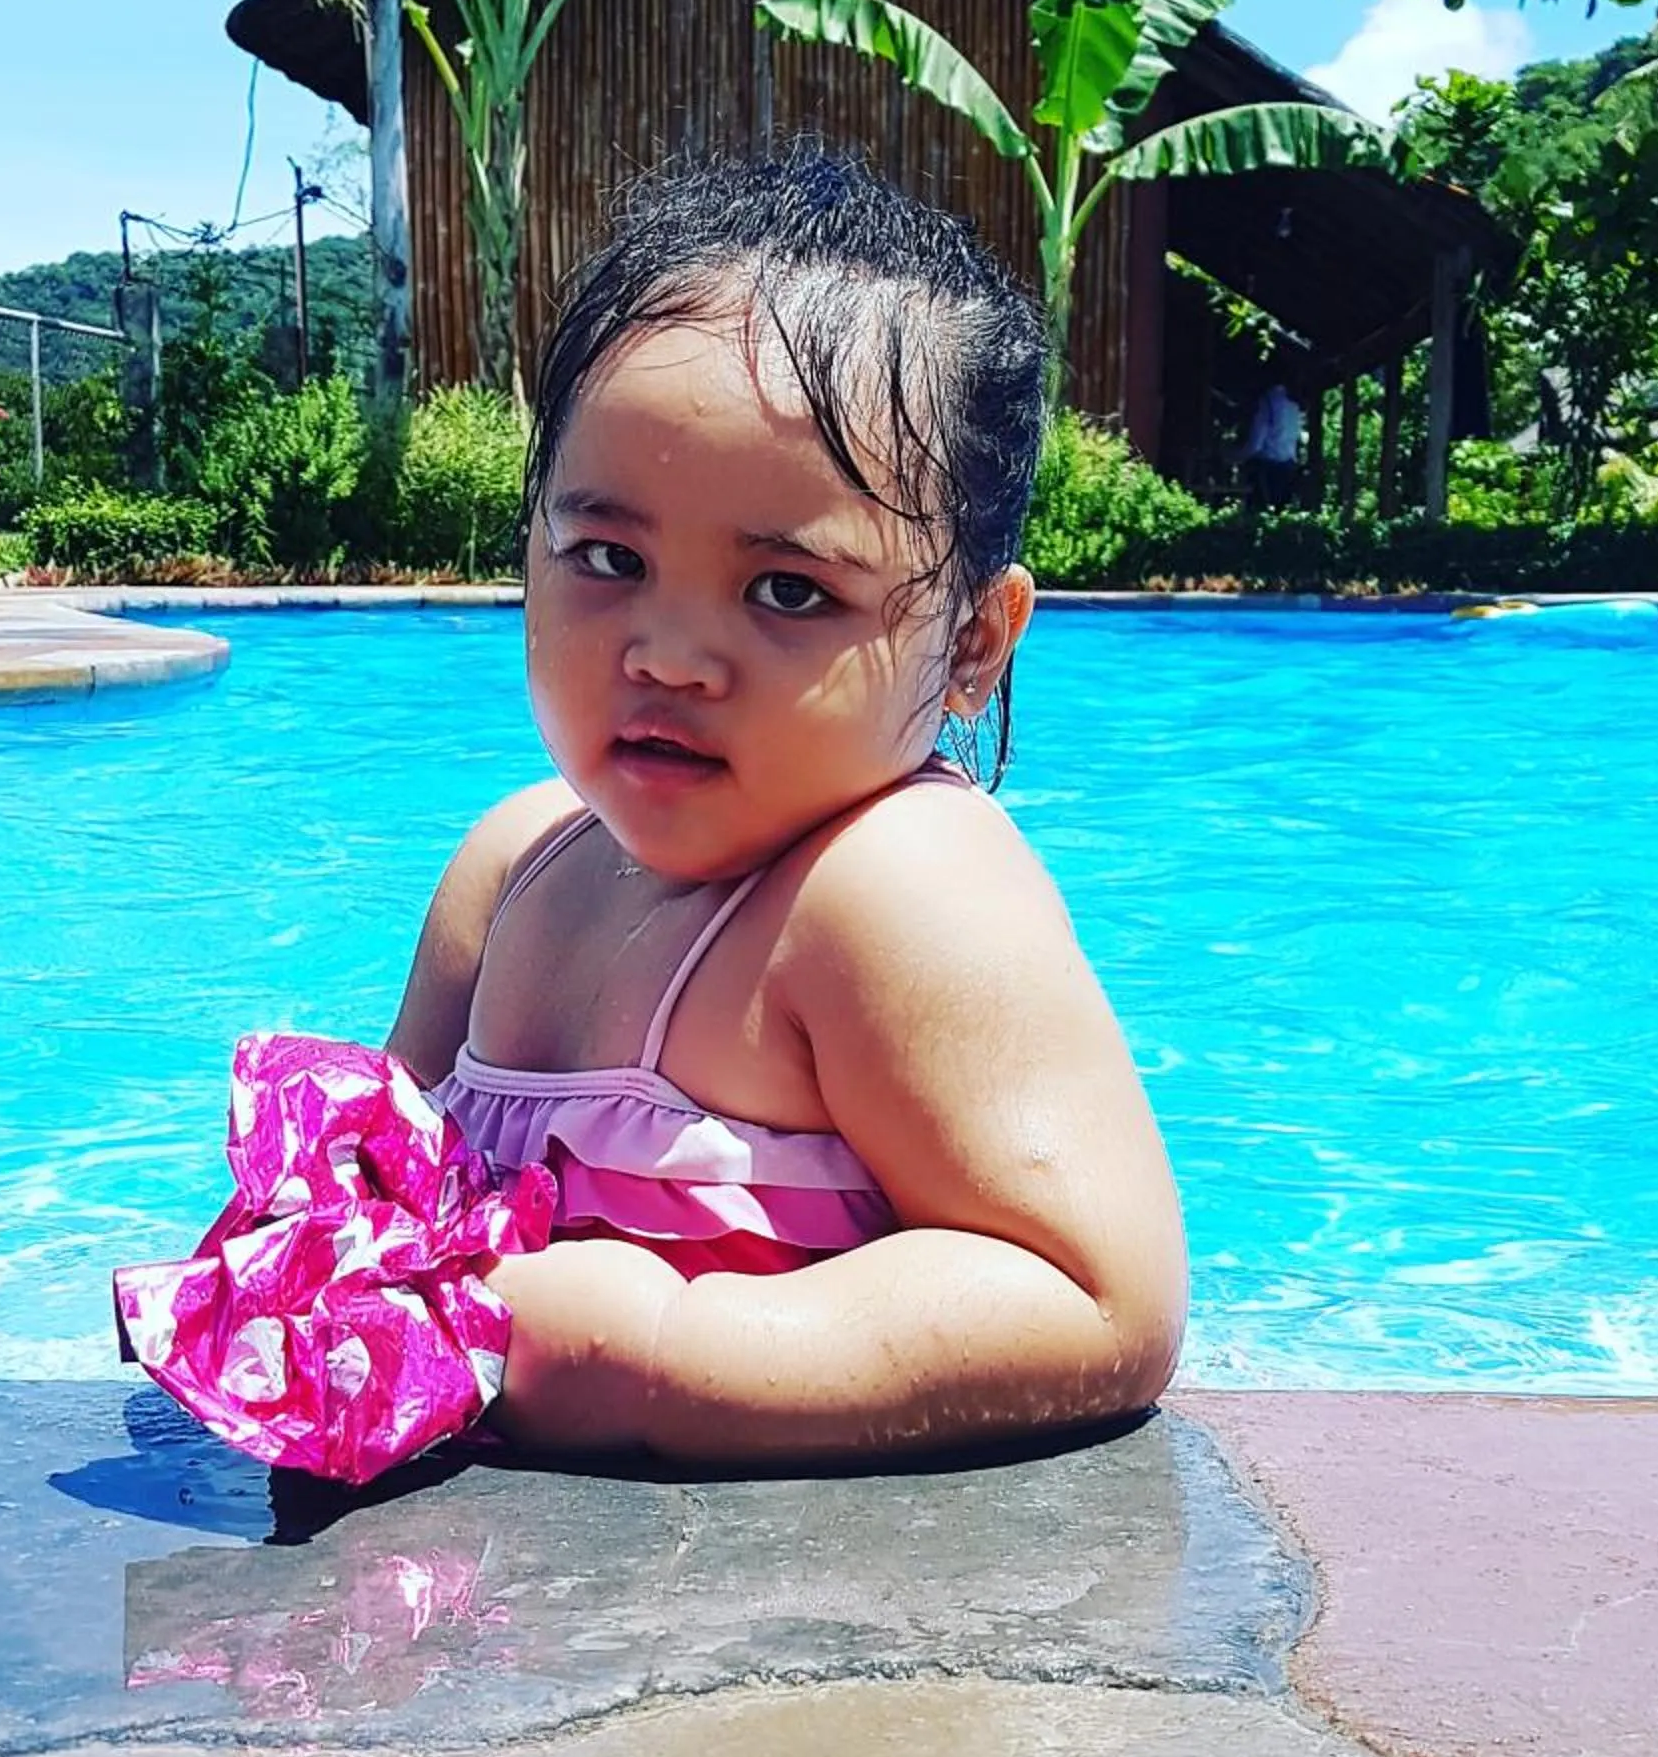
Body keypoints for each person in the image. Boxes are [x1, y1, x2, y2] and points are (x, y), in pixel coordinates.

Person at [386, 147, 1187, 1465]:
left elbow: (1099, 1299)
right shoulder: (513, 867)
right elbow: (381, 1183)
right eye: (608, 559)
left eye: (789, 593)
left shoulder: (893, 891)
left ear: (976, 644)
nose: (671, 653)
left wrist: (656, 1356)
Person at [1240, 377, 1305, 506]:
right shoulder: (1294, 404)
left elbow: (1255, 445)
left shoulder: (1267, 401)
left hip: (1268, 469)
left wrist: (1236, 455)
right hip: (1289, 467)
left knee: (1261, 511)